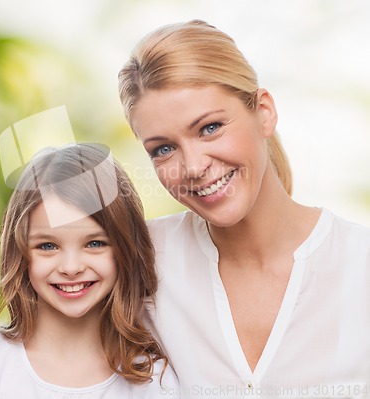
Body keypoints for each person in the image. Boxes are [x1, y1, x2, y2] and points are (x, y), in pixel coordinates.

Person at [118, 20, 370, 398]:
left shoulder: (359, 264)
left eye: (210, 128)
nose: (193, 166)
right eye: (163, 149)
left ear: (264, 112)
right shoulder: (140, 263)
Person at [0, 143, 179, 398]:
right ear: (20, 253)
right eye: (48, 246)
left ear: (124, 249)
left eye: (95, 243)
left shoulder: (154, 380)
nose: (71, 268)